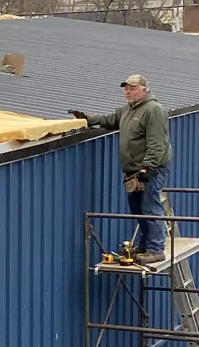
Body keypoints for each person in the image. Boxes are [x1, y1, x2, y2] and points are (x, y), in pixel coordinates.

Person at [72, 74, 173, 260]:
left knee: (150, 208)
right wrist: (88, 119)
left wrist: (147, 167)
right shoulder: (128, 110)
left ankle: (156, 250)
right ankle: (144, 247)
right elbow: (110, 119)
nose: (128, 91)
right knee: (138, 210)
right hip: (132, 171)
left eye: (132, 88)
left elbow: (158, 143)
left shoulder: (154, 110)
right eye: (126, 88)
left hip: (150, 170)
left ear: (144, 89)